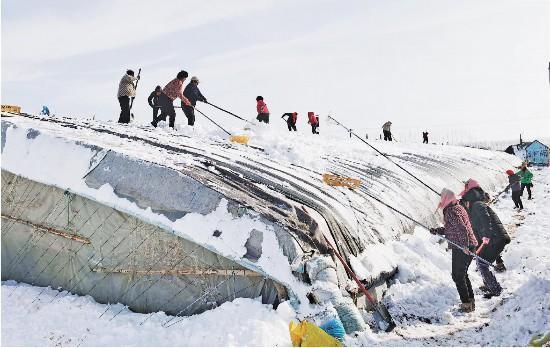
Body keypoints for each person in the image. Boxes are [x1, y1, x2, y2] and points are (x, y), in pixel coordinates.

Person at [430, 188, 478, 312]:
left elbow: (462, 229)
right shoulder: (458, 207)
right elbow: (453, 228)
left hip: (462, 246)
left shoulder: (451, 211)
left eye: (442, 197)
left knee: (457, 276)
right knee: (462, 274)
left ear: (446, 198)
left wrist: (464, 246)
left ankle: (466, 304)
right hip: (467, 244)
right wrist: (438, 231)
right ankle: (470, 301)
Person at [462, 184, 511, 298]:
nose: (465, 205)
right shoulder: (474, 209)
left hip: (496, 238)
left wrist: (487, 235)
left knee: (482, 263)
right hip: (494, 239)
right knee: (481, 260)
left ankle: (496, 289)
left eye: (465, 202)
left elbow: (485, 219)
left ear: (469, 200)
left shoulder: (477, 205)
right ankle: (489, 284)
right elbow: (477, 231)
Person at [459, 179, 506, 272]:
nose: (465, 187)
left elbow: (469, 206)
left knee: (484, 253)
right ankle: (498, 264)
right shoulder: (479, 193)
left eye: (466, 185)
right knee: (490, 247)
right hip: (481, 226)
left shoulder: (471, 195)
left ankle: (488, 271)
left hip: (481, 227)